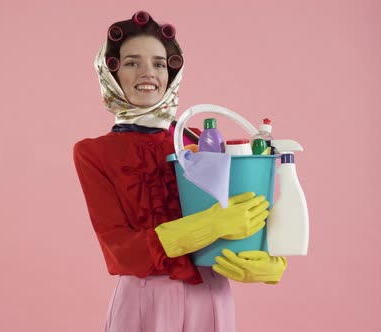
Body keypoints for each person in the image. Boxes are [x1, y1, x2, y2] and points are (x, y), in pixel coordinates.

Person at [73, 11, 287, 332]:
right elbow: (120, 251)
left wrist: (271, 263)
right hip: (142, 304)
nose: (149, 72)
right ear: (111, 72)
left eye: (159, 63)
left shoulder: (200, 140)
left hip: (211, 298)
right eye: (133, 62)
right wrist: (210, 223)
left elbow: (251, 210)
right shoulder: (93, 153)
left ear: (172, 71)